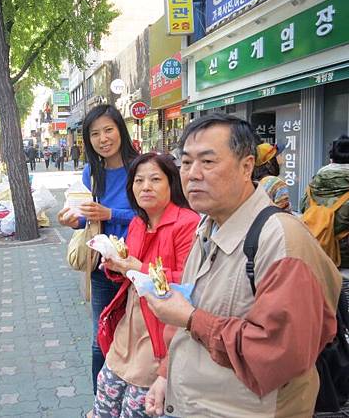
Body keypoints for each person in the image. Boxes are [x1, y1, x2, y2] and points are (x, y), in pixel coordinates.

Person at [142, 113, 341, 417]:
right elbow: (193, 307)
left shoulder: (282, 241)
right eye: (185, 162)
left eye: (208, 162)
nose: (192, 174)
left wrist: (193, 319)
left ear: (247, 166)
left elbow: (280, 354)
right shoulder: (207, 225)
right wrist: (166, 374)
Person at [93, 153, 199, 417]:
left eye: (154, 179)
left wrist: (136, 267)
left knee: (136, 408)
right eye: (138, 181)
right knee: (104, 398)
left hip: (160, 335)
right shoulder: (139, 222)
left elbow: (190, 283)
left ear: (171, 184)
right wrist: (116, 267)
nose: (145, 187)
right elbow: (130, 273)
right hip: (129, 327)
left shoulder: (187, 222)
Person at [57, 104, 138, 398]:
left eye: (108, 130)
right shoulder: (92, 172)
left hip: (136, 265)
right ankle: (101, 404)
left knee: (138, 339)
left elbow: (151, 214)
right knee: (99, 339)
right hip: (103, 268)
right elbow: (87, 216)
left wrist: (110, 213)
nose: (103, 138)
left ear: (120, 130)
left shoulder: (141, 167)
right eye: (95, 134)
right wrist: (71, 220)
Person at [300, 134, 349, 269]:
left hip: (316, 246)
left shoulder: (314, 183)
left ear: (331, 158)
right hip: (344, 255)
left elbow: (303, 207)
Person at [252, 142, 291, 211]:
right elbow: (285, 214)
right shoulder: (277, 183)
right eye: (279, 155)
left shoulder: (253, 182)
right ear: (269, 162)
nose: (282, 161)